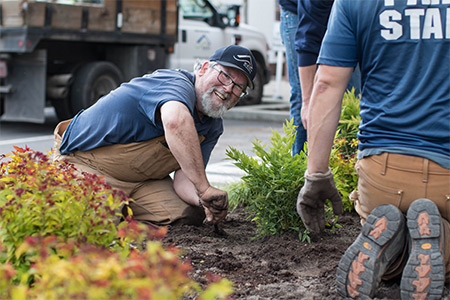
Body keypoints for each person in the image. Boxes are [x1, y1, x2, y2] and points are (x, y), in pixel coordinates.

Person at [296, 0, 449, 299]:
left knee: (386, 243)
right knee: (440, 253)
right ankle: (438, 243)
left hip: (384, 174)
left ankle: (393, 251)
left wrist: (316, 175)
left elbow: (326, 84)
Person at [53, 45, 257, 227]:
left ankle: (122, 213)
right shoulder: (174, 83)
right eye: (225, 75)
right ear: (203, 69)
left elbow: (185, 178)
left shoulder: (212, 126)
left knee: (189, 214)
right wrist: (204, 189)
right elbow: (175, 121)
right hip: (86, 162)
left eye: (239, 86)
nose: (229, 88)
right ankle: (105, 207)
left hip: (140, 181)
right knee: (97, 225)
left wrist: (204, 200)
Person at [295, 0, 360, 130]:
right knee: (307, 103)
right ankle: (304, 147)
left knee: (352, 99)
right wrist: (307, 101)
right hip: (299, 12)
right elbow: (308, 39)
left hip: (351, 11)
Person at [277, 0, 307, 155]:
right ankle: (298, 164)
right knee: (301, 93)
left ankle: (344, 163)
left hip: (334, 12)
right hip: (296, 12)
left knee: (348, 93)